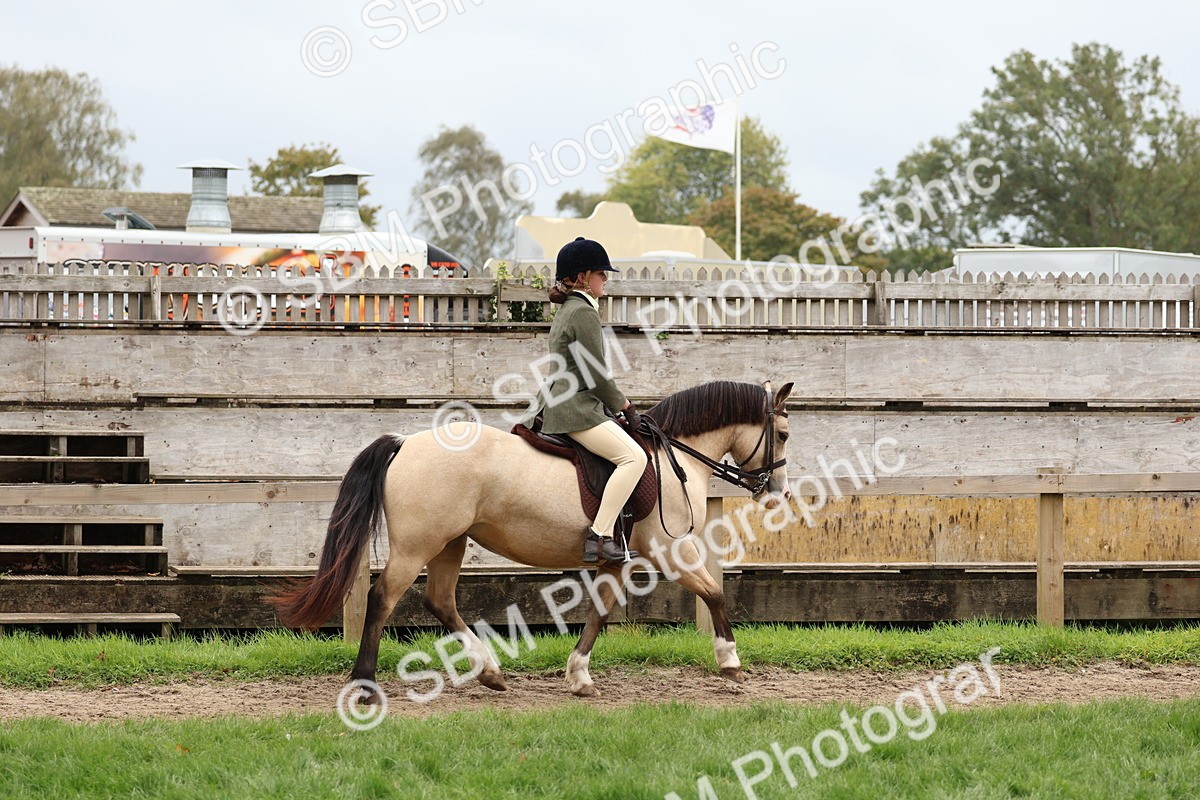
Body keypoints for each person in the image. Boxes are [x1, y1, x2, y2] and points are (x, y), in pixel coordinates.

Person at [539, 237, 647, 564]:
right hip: (576, 409)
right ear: (584, 276)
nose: (606, 279)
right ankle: (599, 537)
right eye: (602, 273)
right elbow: (596, 374)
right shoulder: (583, 312)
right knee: (634, 458)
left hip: (561, 402)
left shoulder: (569, 309)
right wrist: (625, 406)